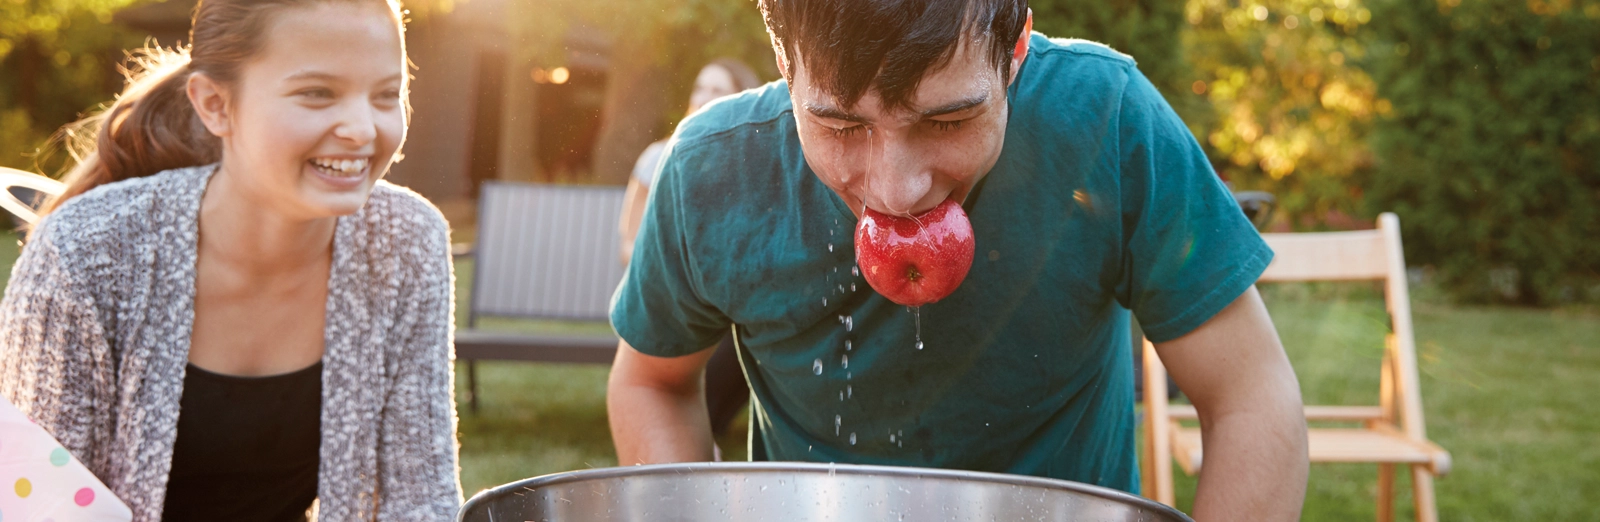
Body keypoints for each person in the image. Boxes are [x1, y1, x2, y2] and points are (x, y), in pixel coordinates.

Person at [604, 1, 1309, 520]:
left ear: (1017, 49)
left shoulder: (1109, 119)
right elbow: (651, 384)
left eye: (948, 121)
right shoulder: (709, 171)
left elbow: (1250, 397)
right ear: (786, 67)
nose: (895, 189)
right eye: (840, 124)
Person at [0, 0, 461, 520]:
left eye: (384, 95)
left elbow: (421, 499)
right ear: (215, 104)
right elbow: (40, 506)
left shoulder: (406, 240)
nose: (362, 129)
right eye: (317, 94)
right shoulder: (87, 250)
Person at [618, 59, 765, 452]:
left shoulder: (756, 163)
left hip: (732, 301)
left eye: (717, 91)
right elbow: (627, 244)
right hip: (668, 292)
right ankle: (697, 441)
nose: (703, 97)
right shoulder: (661, 156)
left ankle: (705, 435)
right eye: (700, 87)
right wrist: (686, 265)